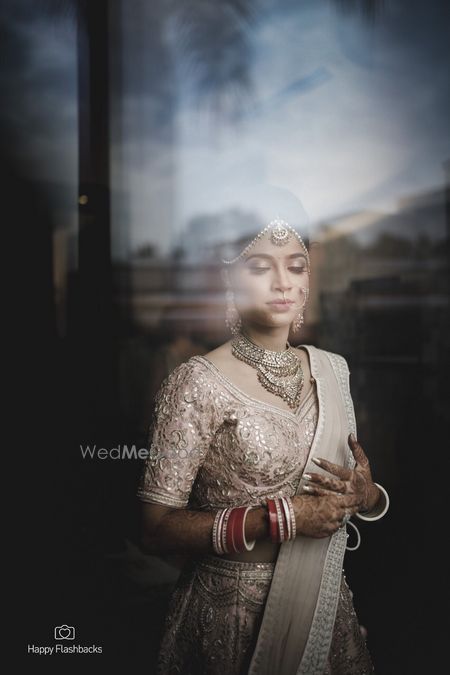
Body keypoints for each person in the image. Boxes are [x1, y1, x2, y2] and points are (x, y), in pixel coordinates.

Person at [136, 184, 390, 674]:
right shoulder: (195, 383)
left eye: (296, 265)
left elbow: (355, 495)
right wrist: (279, 520)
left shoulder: (332, 370)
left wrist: (368, 495)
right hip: (230, 619)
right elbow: (154, 530)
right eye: (260, 266)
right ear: (229, 276)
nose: (283, 282)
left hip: (322, 605)